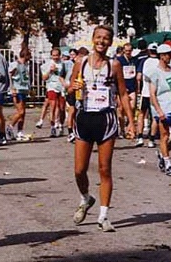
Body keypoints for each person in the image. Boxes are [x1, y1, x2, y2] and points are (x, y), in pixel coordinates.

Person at [68, 25, 135, 232]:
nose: (102, 41)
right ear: (92, 39)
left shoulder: (114, 65)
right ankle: (86, 198)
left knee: (104, 169)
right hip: (84, 118)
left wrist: (131, 122)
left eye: (106, 38)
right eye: (98, 37)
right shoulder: (80, 63)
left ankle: (104, 215)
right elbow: (69, 91)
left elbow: (123, 94)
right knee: (79, 170)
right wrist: (73, 88)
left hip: (106, 118)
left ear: (110, 42)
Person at [149, 44, 171, 176]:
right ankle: (168, 163)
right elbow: (152, 94)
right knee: (164, 136)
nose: (170, 56)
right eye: (168, 54)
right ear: (162, 56)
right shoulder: (155, 73)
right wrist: (159, 111)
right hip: (163, 108)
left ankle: (162, 154)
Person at [135, 42, 159, 148]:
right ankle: (151, 139)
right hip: (156, 93)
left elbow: (138, 77)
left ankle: (140, 137)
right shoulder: (159, 62)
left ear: (149, 51)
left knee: (141, 114)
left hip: (145, 92)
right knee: (154, 117)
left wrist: (138, 89)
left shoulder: (144, 61)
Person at [40, 48, 66, 137]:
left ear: (60, 55)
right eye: (53, 55)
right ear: (51, 55)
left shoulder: (63, 64)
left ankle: (61, 125)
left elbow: (66, 76)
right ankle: (53, 127)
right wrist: (50, 71)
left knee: (62, 108)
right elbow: (44, 78)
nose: (55, 57)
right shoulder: (47, 65)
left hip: (61, 87)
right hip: (51, 86)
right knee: (53, 106)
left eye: (57, 55)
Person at [6, 48, 31, 140]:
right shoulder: (15, 64)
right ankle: (10, 126)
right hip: (17, 90)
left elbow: (25, 77)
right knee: (20, 112)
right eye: (29, 56)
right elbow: (9, 76)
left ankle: (20, 132)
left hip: (24, 89)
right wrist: (12, 88)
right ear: (26, 56)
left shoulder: (25, 65)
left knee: (23, 113)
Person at [116, 43, 137, 138]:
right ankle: (122, 129)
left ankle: (129, 126)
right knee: (121, 108)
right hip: (121, 88)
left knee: (132, 107)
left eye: (130, 51)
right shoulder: (119, 60)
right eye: (127, 51)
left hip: (132, 86)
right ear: (123, 51)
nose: (128, 52)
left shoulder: (133, 60)